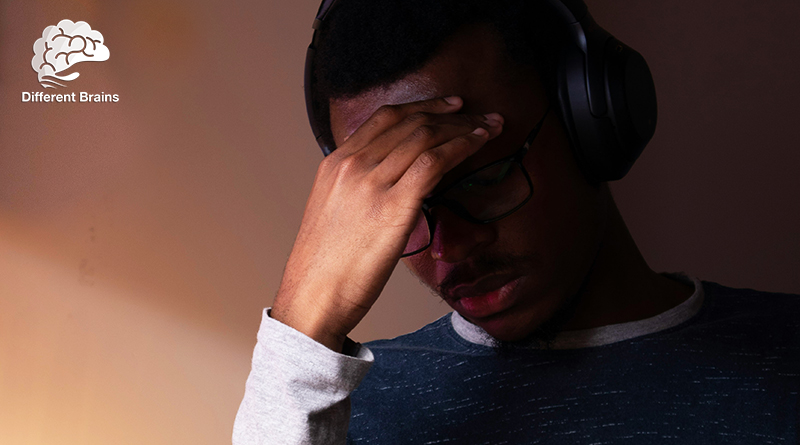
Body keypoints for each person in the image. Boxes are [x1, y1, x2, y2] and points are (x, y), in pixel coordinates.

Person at [233, 0, 800, 443]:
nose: (450, 249)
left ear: (592, 117)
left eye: (481, 179)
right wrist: (302, 331)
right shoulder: (334, 413)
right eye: (401, 210)